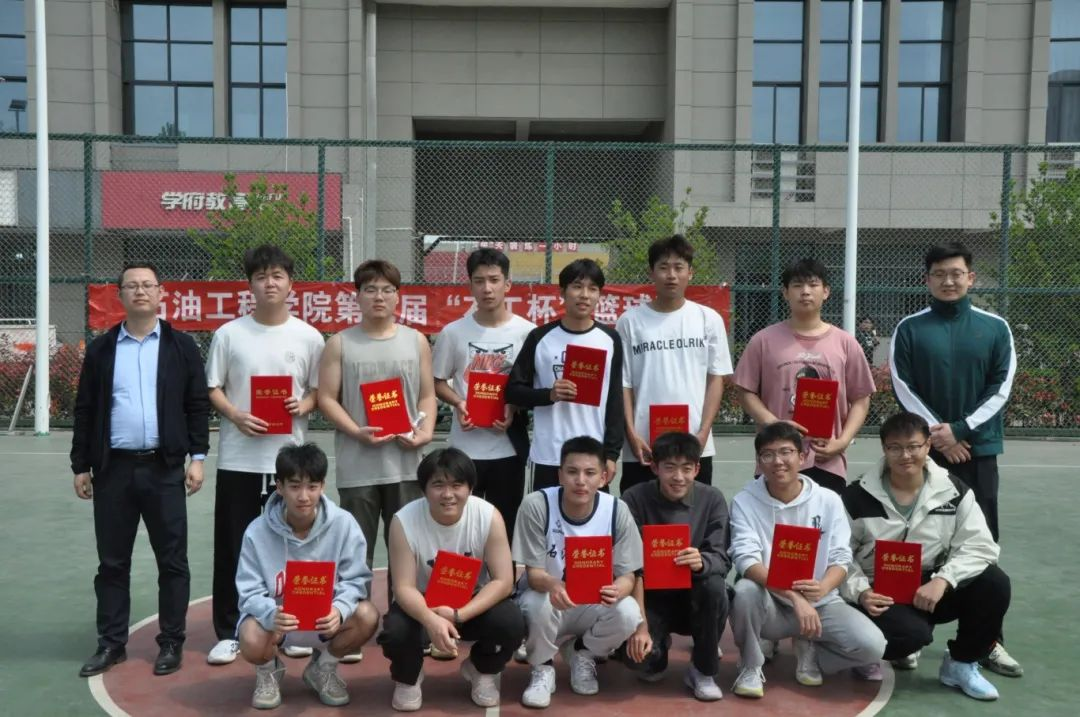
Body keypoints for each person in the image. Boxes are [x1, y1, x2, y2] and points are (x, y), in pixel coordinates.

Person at [72, 262, 210, 677]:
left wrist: (198, 458)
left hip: (164, 469)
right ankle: (111, 643)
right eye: (131, 286)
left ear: (161, 292)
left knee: (173, 561)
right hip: (113, 470)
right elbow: (85, 409)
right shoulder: (102, 349)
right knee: (112, 563)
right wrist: (81, 465)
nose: (140, 291)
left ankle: (171, 642)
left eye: (148, 285)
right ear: (119, 295)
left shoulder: (181, 346)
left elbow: (196, 405)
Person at [889, 241, 1020, 677]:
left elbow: (1001, 387)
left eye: (956, 273)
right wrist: (938, 436)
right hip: (923, 455)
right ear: (927, 279)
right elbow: (901, 384)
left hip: (977, 452)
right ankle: (909, 636)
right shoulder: (909, 328)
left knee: (981, 544)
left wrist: (960, 430)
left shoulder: (996, 327)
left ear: (971, 278)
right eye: (940, 274)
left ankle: (985, 642)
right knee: (912, 540)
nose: (949, 281)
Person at [841, 412, 1018, 701]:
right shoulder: (856, 496)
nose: (905, 455)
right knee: (908, 638)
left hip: (931, 587)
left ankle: (960, 664)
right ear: (884, 448)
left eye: (914, 446)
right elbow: (838, 556)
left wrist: (944, 580)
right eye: (895, 447)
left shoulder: (953, 491)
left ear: (927, 446)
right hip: (879, 591)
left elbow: (981, 546)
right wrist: (861, 592)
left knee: (994, 583)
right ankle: (883, 646)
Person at [205, 245, 326, 666]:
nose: (269, 283)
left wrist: (304, 405)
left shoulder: (309, 337)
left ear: (291, 284)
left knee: (294, 546)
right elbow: (213, 387)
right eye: (261, 276)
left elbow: (319, 390)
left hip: (290, 462)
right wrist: (235, 414)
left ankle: (294, 627)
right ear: (250, 285)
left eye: (277, 275)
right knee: (234, 544)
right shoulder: (229, 334)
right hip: (239, 459)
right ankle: (230, 630)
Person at [727, 422, 885, 699]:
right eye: (768, 454)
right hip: (771, 602)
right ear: (759, 462)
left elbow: (841, 556)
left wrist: (822, 588)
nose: (778, 461)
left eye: (786, 452)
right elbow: (746, 559)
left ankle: (811, 647)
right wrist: (794, 597)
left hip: (820, 602)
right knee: (744, 591)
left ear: (802, 457)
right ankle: (751, 665)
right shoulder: (744, 501)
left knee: (872, 647)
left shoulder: (828, 500)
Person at [319, 260, 437, 587]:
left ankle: (405, 617)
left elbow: (427, 395)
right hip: (358, 468)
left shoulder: (416, 341)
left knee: (408, 553)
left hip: (407, 464)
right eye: (370, 289)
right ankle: (357, 614)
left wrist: (426, 432)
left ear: (398, 296)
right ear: (357, 296)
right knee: (357, 554)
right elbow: (326, 398)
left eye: (387, 289)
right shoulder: (340, 343)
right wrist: (356, 431)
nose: (379, 297)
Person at [378, 448, 525, 711]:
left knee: (512, 623)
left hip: (471, 601)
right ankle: (408, 677)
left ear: (470, 488)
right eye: (438, 485)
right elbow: (403, 588)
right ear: (424, 489)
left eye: (457, 485)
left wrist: (459, 614)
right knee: (395, 632)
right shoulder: (403, 521)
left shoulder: (488, 516)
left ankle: (482, 668)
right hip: (422, 602)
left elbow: (503, 581)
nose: (448, 494)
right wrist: (431, 620)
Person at [235, 443, 380, 710]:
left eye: (312, 486)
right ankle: (268, 670)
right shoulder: (257, 532)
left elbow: (356, 579)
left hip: (326, 621)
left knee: (367, 616)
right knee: (250, 636)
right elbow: (248, 591)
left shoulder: (344, 524)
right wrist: (270, 613)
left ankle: (323, 668)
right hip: (280, 625)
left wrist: (339, 609)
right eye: (294, 486)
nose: (304, 496)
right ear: (279, 486)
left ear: (322, 486)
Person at [511, 436, 643, 708]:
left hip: (594, 601)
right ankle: (542, 667)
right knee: (536, 603)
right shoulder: (537, 505)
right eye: (572, 472)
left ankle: (583, 653)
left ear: (603, 477)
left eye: (590, 473)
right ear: (560, 475)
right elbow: (534, 575)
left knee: (629, 612)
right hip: (549, 598)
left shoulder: (616, 510)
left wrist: (618, 588)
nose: (580, 481)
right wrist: (553, 585)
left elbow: (628, 575)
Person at [733, 258, 875, 495]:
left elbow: (861, 398)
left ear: (826, 291)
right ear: (785, 292)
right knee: (775, 519)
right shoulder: (763, 340)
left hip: (826, 459)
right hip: (776, 457)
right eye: (798, 285)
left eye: (813, 284)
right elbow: (745, 391)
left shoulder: (845, 343)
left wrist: (842, 442)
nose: (806, 291)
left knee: (822, 519)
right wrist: (774, 424)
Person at [431, 248, 536, 540]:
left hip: (508, 449)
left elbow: (531, 388)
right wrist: (458, 402)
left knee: (505, 527)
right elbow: (437, 381)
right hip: (464, 451)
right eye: (479, 281)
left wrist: (513, 407)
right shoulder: (453, 332)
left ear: (508, 284)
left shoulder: (528, 333)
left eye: (494, 280)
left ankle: (503, 572)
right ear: (470, 285)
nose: (487, 288)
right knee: (462, 529)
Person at [620, 431, 731, 701]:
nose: (678, 477)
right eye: (669, 467)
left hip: (695, 595)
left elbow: (722, 557)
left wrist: (702, 561)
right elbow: (625, 560)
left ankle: (703, 670)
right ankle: (658, 648)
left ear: (697, 469)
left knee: (715, 586)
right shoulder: (633, 498)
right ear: (654, 467)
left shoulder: (712, 499)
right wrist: (641, 625)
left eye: (686, 468)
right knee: (640, 663)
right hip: (650, 595)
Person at [616, 235, 732, 491]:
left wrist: (703, 433)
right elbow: (624, 384)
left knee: (693, 512)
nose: (671, 275)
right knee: (639, 513)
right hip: (644, 446)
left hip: (694, 444)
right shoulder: (630, 321)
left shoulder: (708, 319)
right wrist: (632, 435)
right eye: (663, 267)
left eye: (679, 267)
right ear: (651, 272)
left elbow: (716, 379)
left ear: (690, 272)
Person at [507, 259, 624, 491]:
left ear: (599, 295)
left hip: (592, 458)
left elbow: (614, 400)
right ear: (562, 292)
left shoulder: (610, 339)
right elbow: (513, 391)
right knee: (545, 514)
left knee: (592, 516)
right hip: (549, 455)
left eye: (592, 289)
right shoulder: (540, 337)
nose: (584, 295)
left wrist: (611, 454)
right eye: (577, 287)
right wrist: (549, 395)